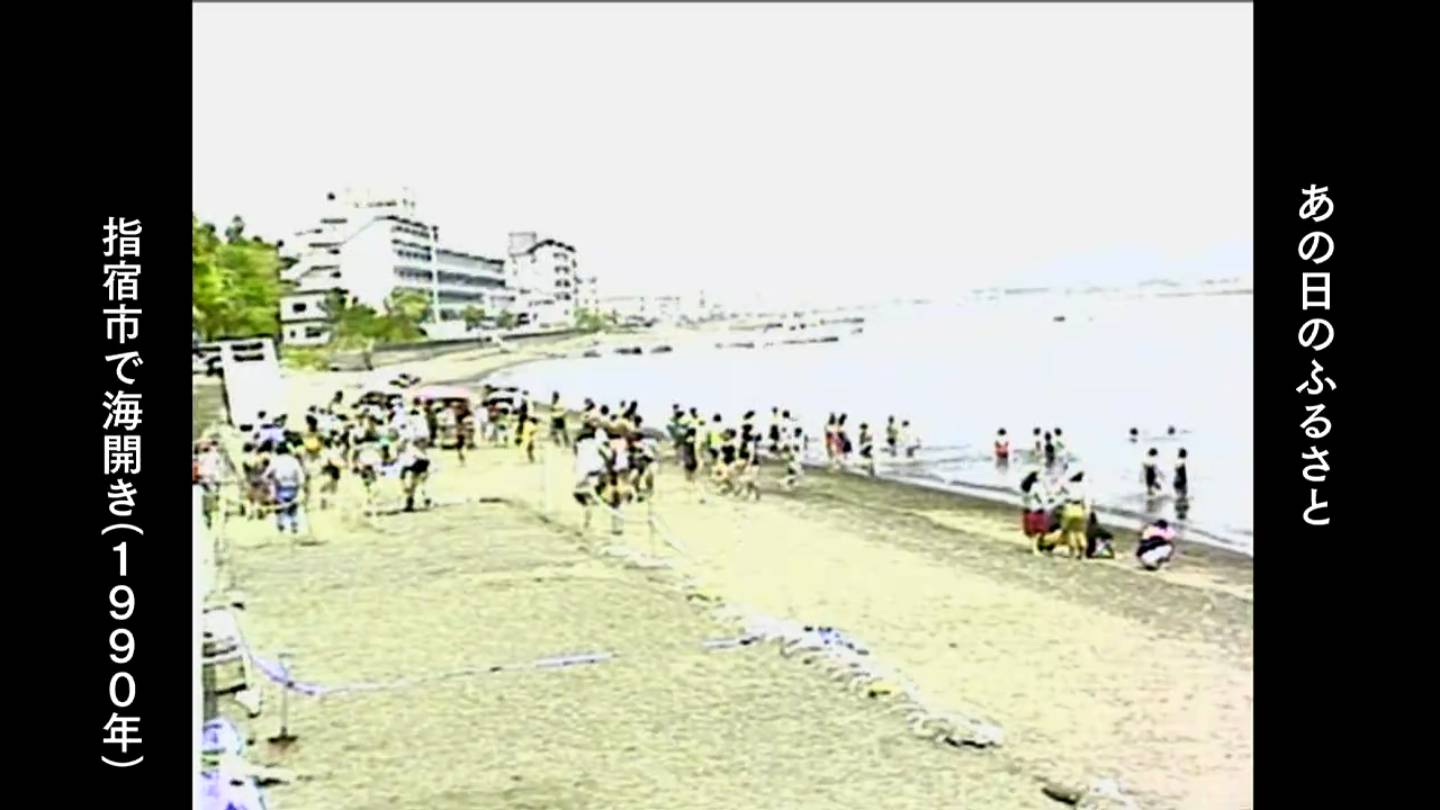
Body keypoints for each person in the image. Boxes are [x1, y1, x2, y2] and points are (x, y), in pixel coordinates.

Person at [265, 444, 307, 535]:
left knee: (279, 507)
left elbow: (267, 474)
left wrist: (270, 482)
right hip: (293, 487)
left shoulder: (275, 460)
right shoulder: (293, 461)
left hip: (280, 487)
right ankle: (294, 523)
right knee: (293, 506)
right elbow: (300, 474)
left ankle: (280, 524)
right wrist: (301, 486)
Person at [398, 440, 431, 512]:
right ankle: (424, 499)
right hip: (421, 465)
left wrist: (403, 484)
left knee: (414, 485)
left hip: (420, 466)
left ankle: (411, 503)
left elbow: (404, 469)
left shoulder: (408, 452)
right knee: (418, 485)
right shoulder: (412, 450)